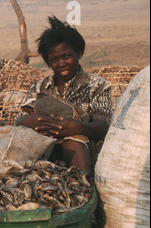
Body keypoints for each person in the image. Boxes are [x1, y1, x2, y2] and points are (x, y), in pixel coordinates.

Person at [15, 16, 112, 175]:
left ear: (78, 53)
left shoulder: (97, 85)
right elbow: (18, 118)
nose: (61, 63)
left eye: (66, 56)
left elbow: (103, 126)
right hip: (45, 146)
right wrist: (26, 120)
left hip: (83, 151)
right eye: (54, 59)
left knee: (73, 141)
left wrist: (79, 127)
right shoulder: (40, 87)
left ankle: (84, 187)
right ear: (48, 62)